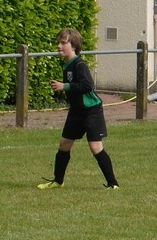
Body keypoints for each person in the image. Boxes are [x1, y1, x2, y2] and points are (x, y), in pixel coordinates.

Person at [37, 28, 119, 190]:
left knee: (95, 147)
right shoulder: (67, 64)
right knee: (64, 143)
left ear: (73, 46)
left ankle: (113, 184)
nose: (59, 46)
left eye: (63, 43)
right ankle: (58, 181)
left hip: (91, 111)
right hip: (76, 111)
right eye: (58, 43)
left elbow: (88, 85)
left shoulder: (79, 64)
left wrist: (65, 86)